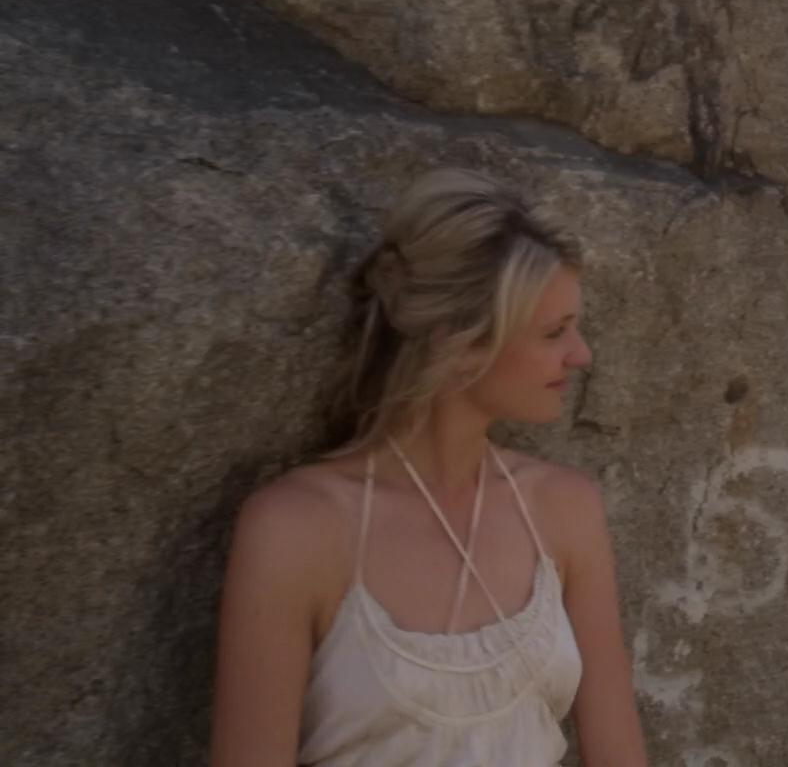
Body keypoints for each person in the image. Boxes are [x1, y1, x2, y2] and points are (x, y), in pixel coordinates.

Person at [210, 168, 650, 766]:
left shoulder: (563, 509)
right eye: (554, 333)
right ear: (458, 344)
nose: (581, 355)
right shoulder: (296, 528)